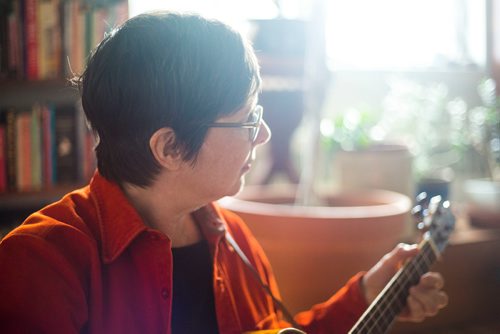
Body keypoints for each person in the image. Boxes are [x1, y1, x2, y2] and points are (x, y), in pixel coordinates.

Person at [0, 11, 448, 334]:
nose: (266, 134)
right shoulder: (40, 262)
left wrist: (366, 295)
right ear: (169, 147)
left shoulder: (231, 238)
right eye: (248, 120)